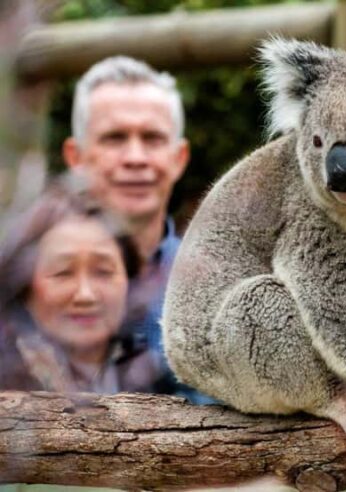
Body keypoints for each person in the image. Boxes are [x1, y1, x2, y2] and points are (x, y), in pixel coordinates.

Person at [59, 56, 203, 399]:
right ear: (75, 157)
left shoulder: (217, 283)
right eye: (114, 138)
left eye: (152, 138)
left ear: (179, 157)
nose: (135, 157)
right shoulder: (25, 286)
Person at [0, 183, 159, 393]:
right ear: (25, 285)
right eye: (63, 273)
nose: (86, 295)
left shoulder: (164, 378)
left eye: (103, 272)